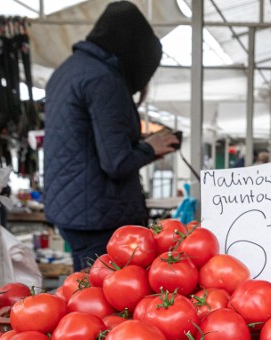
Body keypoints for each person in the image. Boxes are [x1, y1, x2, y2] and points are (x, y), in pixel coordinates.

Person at [43, 1, 179, 271]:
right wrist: (150, 148)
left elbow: (89, 145)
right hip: (100, 217)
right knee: (108, 298)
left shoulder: (67, 71)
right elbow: (115, 162)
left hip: (74, 209)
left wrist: (142, 148)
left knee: (86, 287)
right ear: (134, 52)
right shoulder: (104, 79)